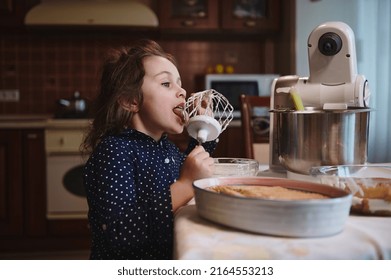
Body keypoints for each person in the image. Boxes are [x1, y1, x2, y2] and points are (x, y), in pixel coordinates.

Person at [81, 39, 217, 260]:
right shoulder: (115, 151)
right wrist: (184, 185)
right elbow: (120, 234)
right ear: (130, 100)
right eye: (166, 84)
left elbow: (191, 168)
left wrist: (204, 130)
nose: (182, 91)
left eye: (180, 83)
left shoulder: (166, 149)